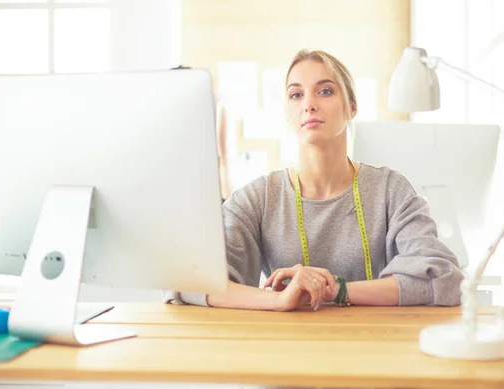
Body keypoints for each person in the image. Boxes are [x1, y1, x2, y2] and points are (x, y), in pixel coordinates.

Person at [172, 49, 464, 310]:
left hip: (375, 348)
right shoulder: (258, 199)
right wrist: (280, 299)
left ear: (352, 107)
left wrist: (336, 291)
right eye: (296, 95)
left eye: (325, 91)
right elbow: (189, 280)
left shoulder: (390, 191)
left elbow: (444, 278)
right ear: (288, 114)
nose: (308, 105)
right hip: (290, 352)